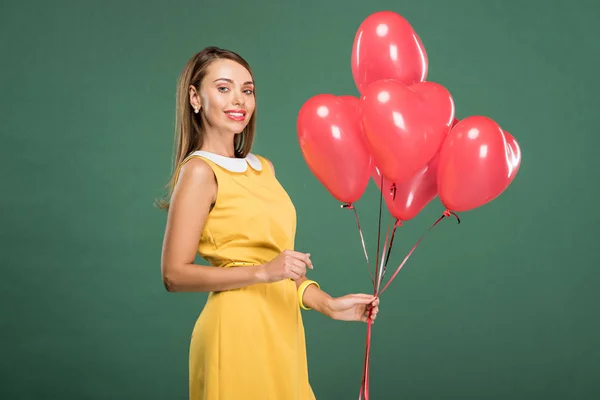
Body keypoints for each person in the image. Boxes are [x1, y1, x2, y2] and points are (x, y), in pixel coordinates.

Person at [158, 46, 380, 400]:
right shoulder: (199, 171)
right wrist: (262, 272)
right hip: (234, 335)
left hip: (283, 333)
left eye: (247, 90)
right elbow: (174, 274)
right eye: (224, 88)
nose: (239, 100)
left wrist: (327, 303)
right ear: (195, 97)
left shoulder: (264, 168)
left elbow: (282, 266)